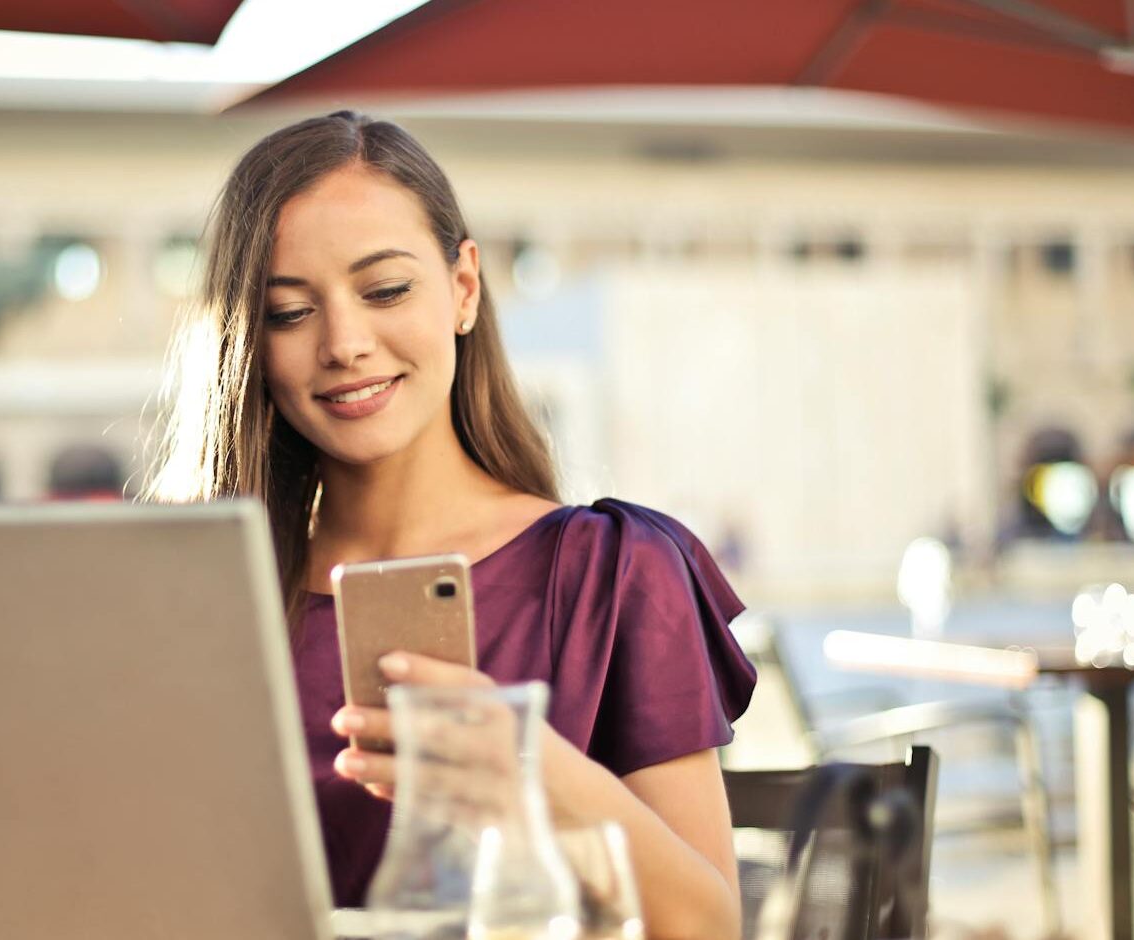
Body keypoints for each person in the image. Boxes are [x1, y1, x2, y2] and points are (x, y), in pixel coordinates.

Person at [148, 112, 755, 939]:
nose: (346, 344)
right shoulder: (199, 598)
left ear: (463, 288)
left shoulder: (611, 570)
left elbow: (709, 925)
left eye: (386, 290)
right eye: (289, 312)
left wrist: (527, 769)